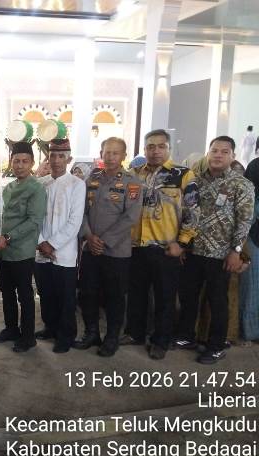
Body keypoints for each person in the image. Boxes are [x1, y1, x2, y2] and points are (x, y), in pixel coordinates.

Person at [121, 129, 200, 360]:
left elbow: (193, 212)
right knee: (136, 295)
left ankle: (161, 340)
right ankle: (135, 333)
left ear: (169, 149)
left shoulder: (183, 175)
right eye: (150, 147)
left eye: (161, 146)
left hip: (166, 248)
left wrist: (182, 243)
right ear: (144, 150)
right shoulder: (134, 174)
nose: (155, 151)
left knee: (165, 298)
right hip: (136, 246)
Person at [174, 136, 254, 363]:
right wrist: (183, 245)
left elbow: (245, 221)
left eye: (224, 152)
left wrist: (236, 251)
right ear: (208, 153)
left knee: (217, 301)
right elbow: (186, 214)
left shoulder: (242, 185)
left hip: (221, 255)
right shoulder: (195, 181)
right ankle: (186, 336)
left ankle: (216, 345)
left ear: (233, 156)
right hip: (194, 251)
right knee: (188, 296)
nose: (218, 155)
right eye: (214, 150)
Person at [75, 138, 143, 357]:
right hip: (90, 248)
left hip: (116, 252)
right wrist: (88, 235)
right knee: (88, 293)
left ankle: (112, 337)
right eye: (107, 152)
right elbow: (81, 210)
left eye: (116, 153)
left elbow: (131, 217)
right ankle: (91, 333)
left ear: (123, 156)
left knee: (114, 297)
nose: (111, 157)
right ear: (101, 153)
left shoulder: (132, 182)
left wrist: (103, 241)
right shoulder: (92, 179)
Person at [0, 141, 46, 352]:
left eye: (24, 161)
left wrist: (8, 237)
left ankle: (28, 337)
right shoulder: (9, 188)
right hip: (3, 251)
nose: (20, 165)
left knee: (25, 295)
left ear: (32, 163)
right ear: (10, 162)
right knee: (6, 292)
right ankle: (11, 329)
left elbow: (34, 221)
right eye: (16, 161)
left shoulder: (36, 188)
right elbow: (6, 217)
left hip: (22, 252)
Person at [34, 138, 85, 353]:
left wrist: (52, 244)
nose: (56, 160)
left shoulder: (77, 184)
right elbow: (33, 218)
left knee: (65, 298)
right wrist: (41, 242)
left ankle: (65, 336)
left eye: (61, 156)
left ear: (68, 159)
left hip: (64, 252)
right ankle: (50, 328)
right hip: (41, 250)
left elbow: (75, 221)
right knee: (46, 294)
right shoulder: (40, 184)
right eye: (52, 155)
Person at [240, 156, 259, 343]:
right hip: (253, 237)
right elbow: (248, 212)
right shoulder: (256, 165)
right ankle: (250, 330)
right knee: (252, 288)